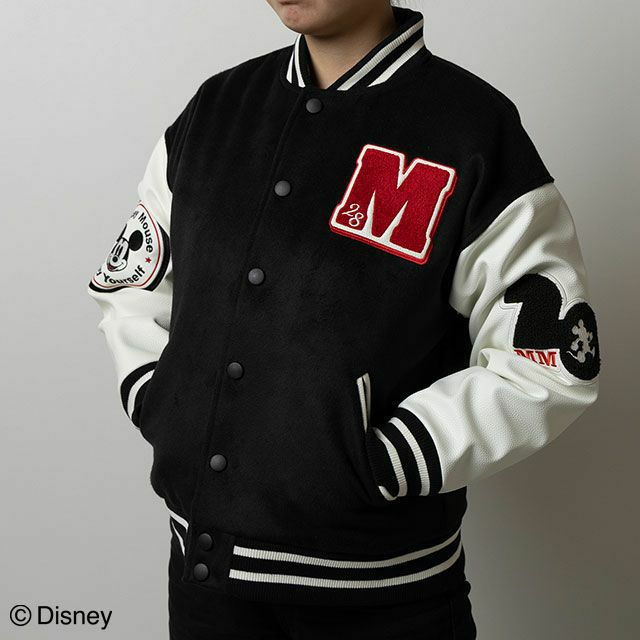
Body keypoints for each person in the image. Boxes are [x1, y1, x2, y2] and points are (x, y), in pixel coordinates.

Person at [86, 0, 601, 638]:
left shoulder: (471, 127)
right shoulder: (216, 110)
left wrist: (382, 459)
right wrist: (162, 398)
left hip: (384, 604)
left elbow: (547, 362)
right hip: (205, 582)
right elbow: (134, 284)